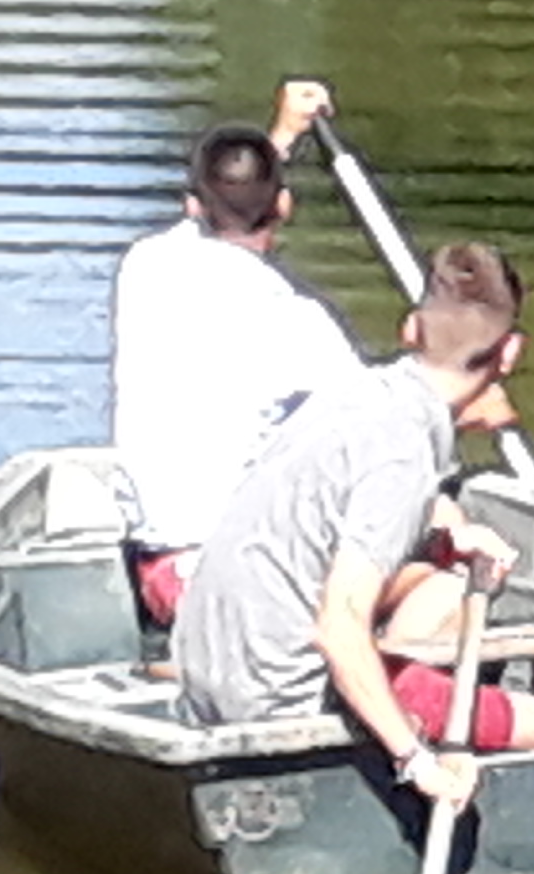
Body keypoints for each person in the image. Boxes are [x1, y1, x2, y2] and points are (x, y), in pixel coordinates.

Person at [174, 238, 534, 800]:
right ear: (509, 353)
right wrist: (417, 762)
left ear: (410, 330)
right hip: (278, 696)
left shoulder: (355, 395)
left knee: (431, 602)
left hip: (207, 670)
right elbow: (339, 630)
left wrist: (441, 544)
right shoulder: (402, 453)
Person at [107, 79, 362, 625]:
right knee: (423, 561)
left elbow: (219, 207)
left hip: (158, 571)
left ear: (192, 205)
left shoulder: (146, 264)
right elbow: (378, 426)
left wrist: (283, 136)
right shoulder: (299, 324)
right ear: (284, 205)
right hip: (236, 584)